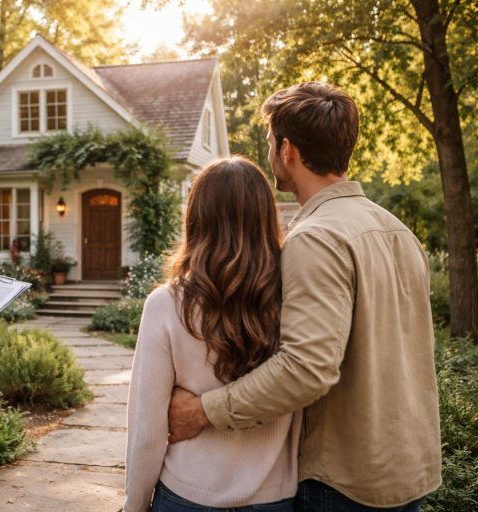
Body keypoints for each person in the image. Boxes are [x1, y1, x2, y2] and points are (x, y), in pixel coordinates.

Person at [167, 82, 441, 511]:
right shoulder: (397, 230)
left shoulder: (316, 238)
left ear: (287, 150)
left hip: (345, 484)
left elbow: (306, 368)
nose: (271, 152)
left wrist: (203, 411)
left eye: (271, 142)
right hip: (408, 473)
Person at [125, 156, 299, 512]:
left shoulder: (166, 304)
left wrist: (135, 504)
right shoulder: (295, 298)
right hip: (273, 497)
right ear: (266, 218)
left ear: (196, 218)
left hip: (186, 496)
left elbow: (147, 429)